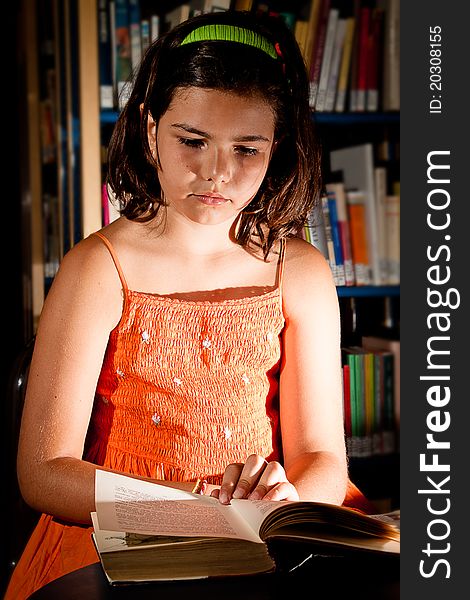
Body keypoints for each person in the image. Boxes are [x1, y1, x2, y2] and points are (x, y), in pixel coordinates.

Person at [6, 9, 373, 599]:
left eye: (247, 149)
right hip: (118, 536)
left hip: (268, 541)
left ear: (275, 147)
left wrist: (287, 505)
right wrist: (185, 512)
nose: (216, 173)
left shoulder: (300, 271)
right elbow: (44, 473)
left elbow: (324, 457)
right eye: (193, 141)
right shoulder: (96, 268)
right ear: (151, 128)